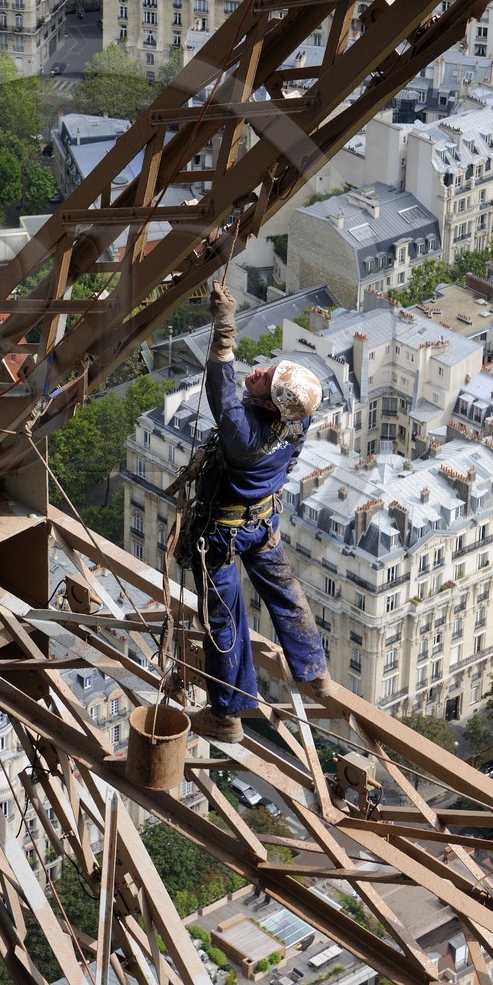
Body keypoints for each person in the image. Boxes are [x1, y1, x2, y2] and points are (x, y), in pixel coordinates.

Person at [188, 282, 332, 743]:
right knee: (286, 594)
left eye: (266, 380)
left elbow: (221, 387)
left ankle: (227, 715)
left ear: (271, 403)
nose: (260, 372)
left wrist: (225, 328)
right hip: (262, 523)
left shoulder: (243, 435)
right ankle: (315, 672)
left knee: (224, 616)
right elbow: (286, 461)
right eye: (269, 369)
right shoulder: (298, 418)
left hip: (223, 534)